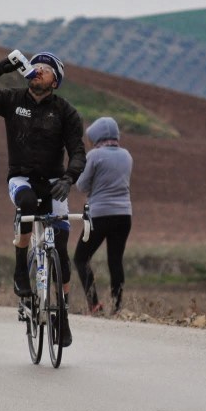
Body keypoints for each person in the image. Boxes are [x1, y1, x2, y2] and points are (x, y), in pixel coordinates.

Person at [0, 51, 85, 346]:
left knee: (63, 255)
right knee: (26, 204)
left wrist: (69, 178)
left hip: (55, 183)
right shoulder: (12, 100)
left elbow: (78, 151)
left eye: (46, 69)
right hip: (22, 179)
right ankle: (20, 269)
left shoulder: (66, 112)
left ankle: (63, 316)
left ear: (55, 81)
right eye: (35, 66)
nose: (38, 71)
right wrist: (3, 67)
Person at [72, 117, 133, 315]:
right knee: (115, 260)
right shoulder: (127, 155)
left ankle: (94, 304)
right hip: (124, 215)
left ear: (96, 136)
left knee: (81, 258)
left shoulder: (94, 156)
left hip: (100, 214)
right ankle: (117, 307)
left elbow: (81, 185)